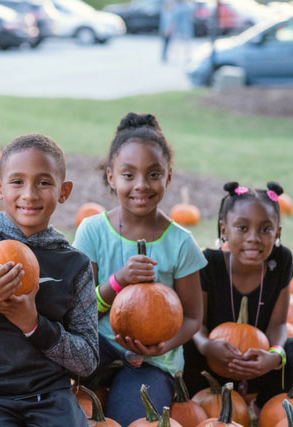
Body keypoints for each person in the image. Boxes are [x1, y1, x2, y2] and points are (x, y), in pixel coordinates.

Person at [0, 134, 99, 426]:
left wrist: (33, 324)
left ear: (64, 190)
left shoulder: (74, 264)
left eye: (44, 182)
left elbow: (86, 360)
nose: (30, 194)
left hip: (49, 395)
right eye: (17, 182)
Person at [73, 112, 206, 425]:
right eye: (129, 175)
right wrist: (118, 281)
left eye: (154, 174)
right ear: (111, 177)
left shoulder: (181, 243)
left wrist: (161, 345)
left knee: (135, 419)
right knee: (55, 403)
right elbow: (79, 314)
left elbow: (193, 317)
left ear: (168, 177)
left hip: (154, 361)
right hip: (97, 348)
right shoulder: (92, 232)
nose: (141, 185)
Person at [183, 182, 293, 409]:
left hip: (262, 365)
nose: (254, 238)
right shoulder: (209, 264)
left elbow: (278, 325)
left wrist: (274, 355)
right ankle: (199, 404)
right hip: (213, 363)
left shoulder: (280, 262)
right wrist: (206, 346)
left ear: (277, 232)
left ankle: (265, 403)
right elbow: (196, 325)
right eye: (242, 228)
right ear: (224, 229)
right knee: (185, 347)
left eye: (265, 229)